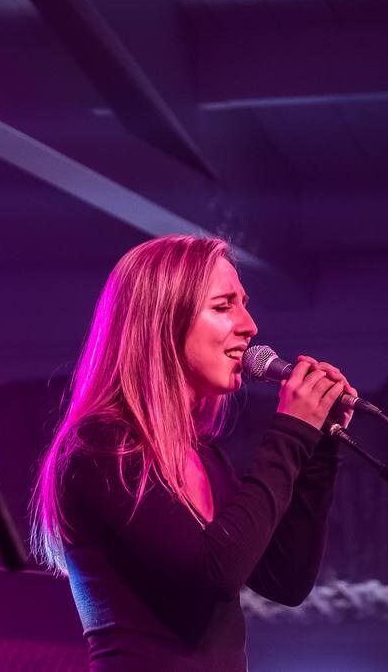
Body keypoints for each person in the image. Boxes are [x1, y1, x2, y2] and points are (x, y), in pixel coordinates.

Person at [31, 235, 357, 671]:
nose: (249, 325)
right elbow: (214, 573)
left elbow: (285, 579)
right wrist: (291, 432)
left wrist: (317, 449)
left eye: (243, 303)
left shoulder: (202, 454)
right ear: (163, 322)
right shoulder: (101, 447)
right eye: (224, 306)